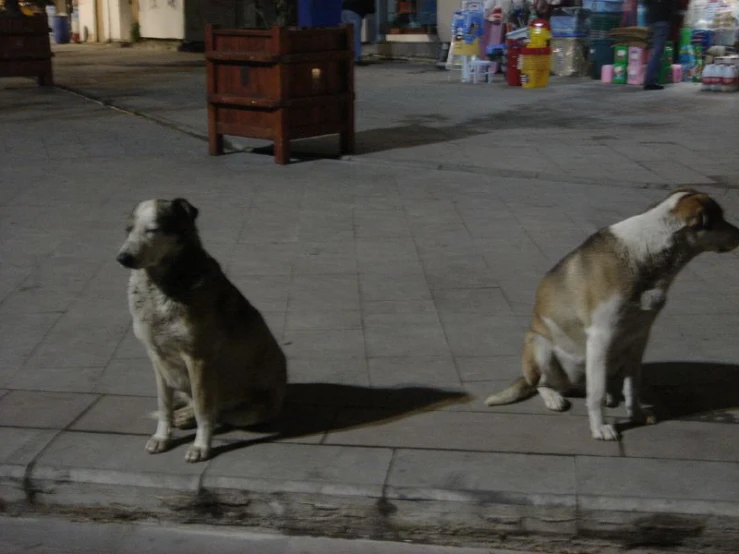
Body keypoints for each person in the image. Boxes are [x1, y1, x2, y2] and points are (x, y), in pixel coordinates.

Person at [643, 0, 678, 90]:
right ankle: (650, 81)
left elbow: (645, 2)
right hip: (662, 21)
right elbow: (673, 8)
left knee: (653, 51)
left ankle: (648, 78)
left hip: (651, 20)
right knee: (657, 52)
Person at [341, 0, 376, 64]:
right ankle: (356, 58)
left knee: (346, 35)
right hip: (354, 12)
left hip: (344, 9)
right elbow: (371, 8)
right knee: (355, 36)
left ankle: (346, 56)